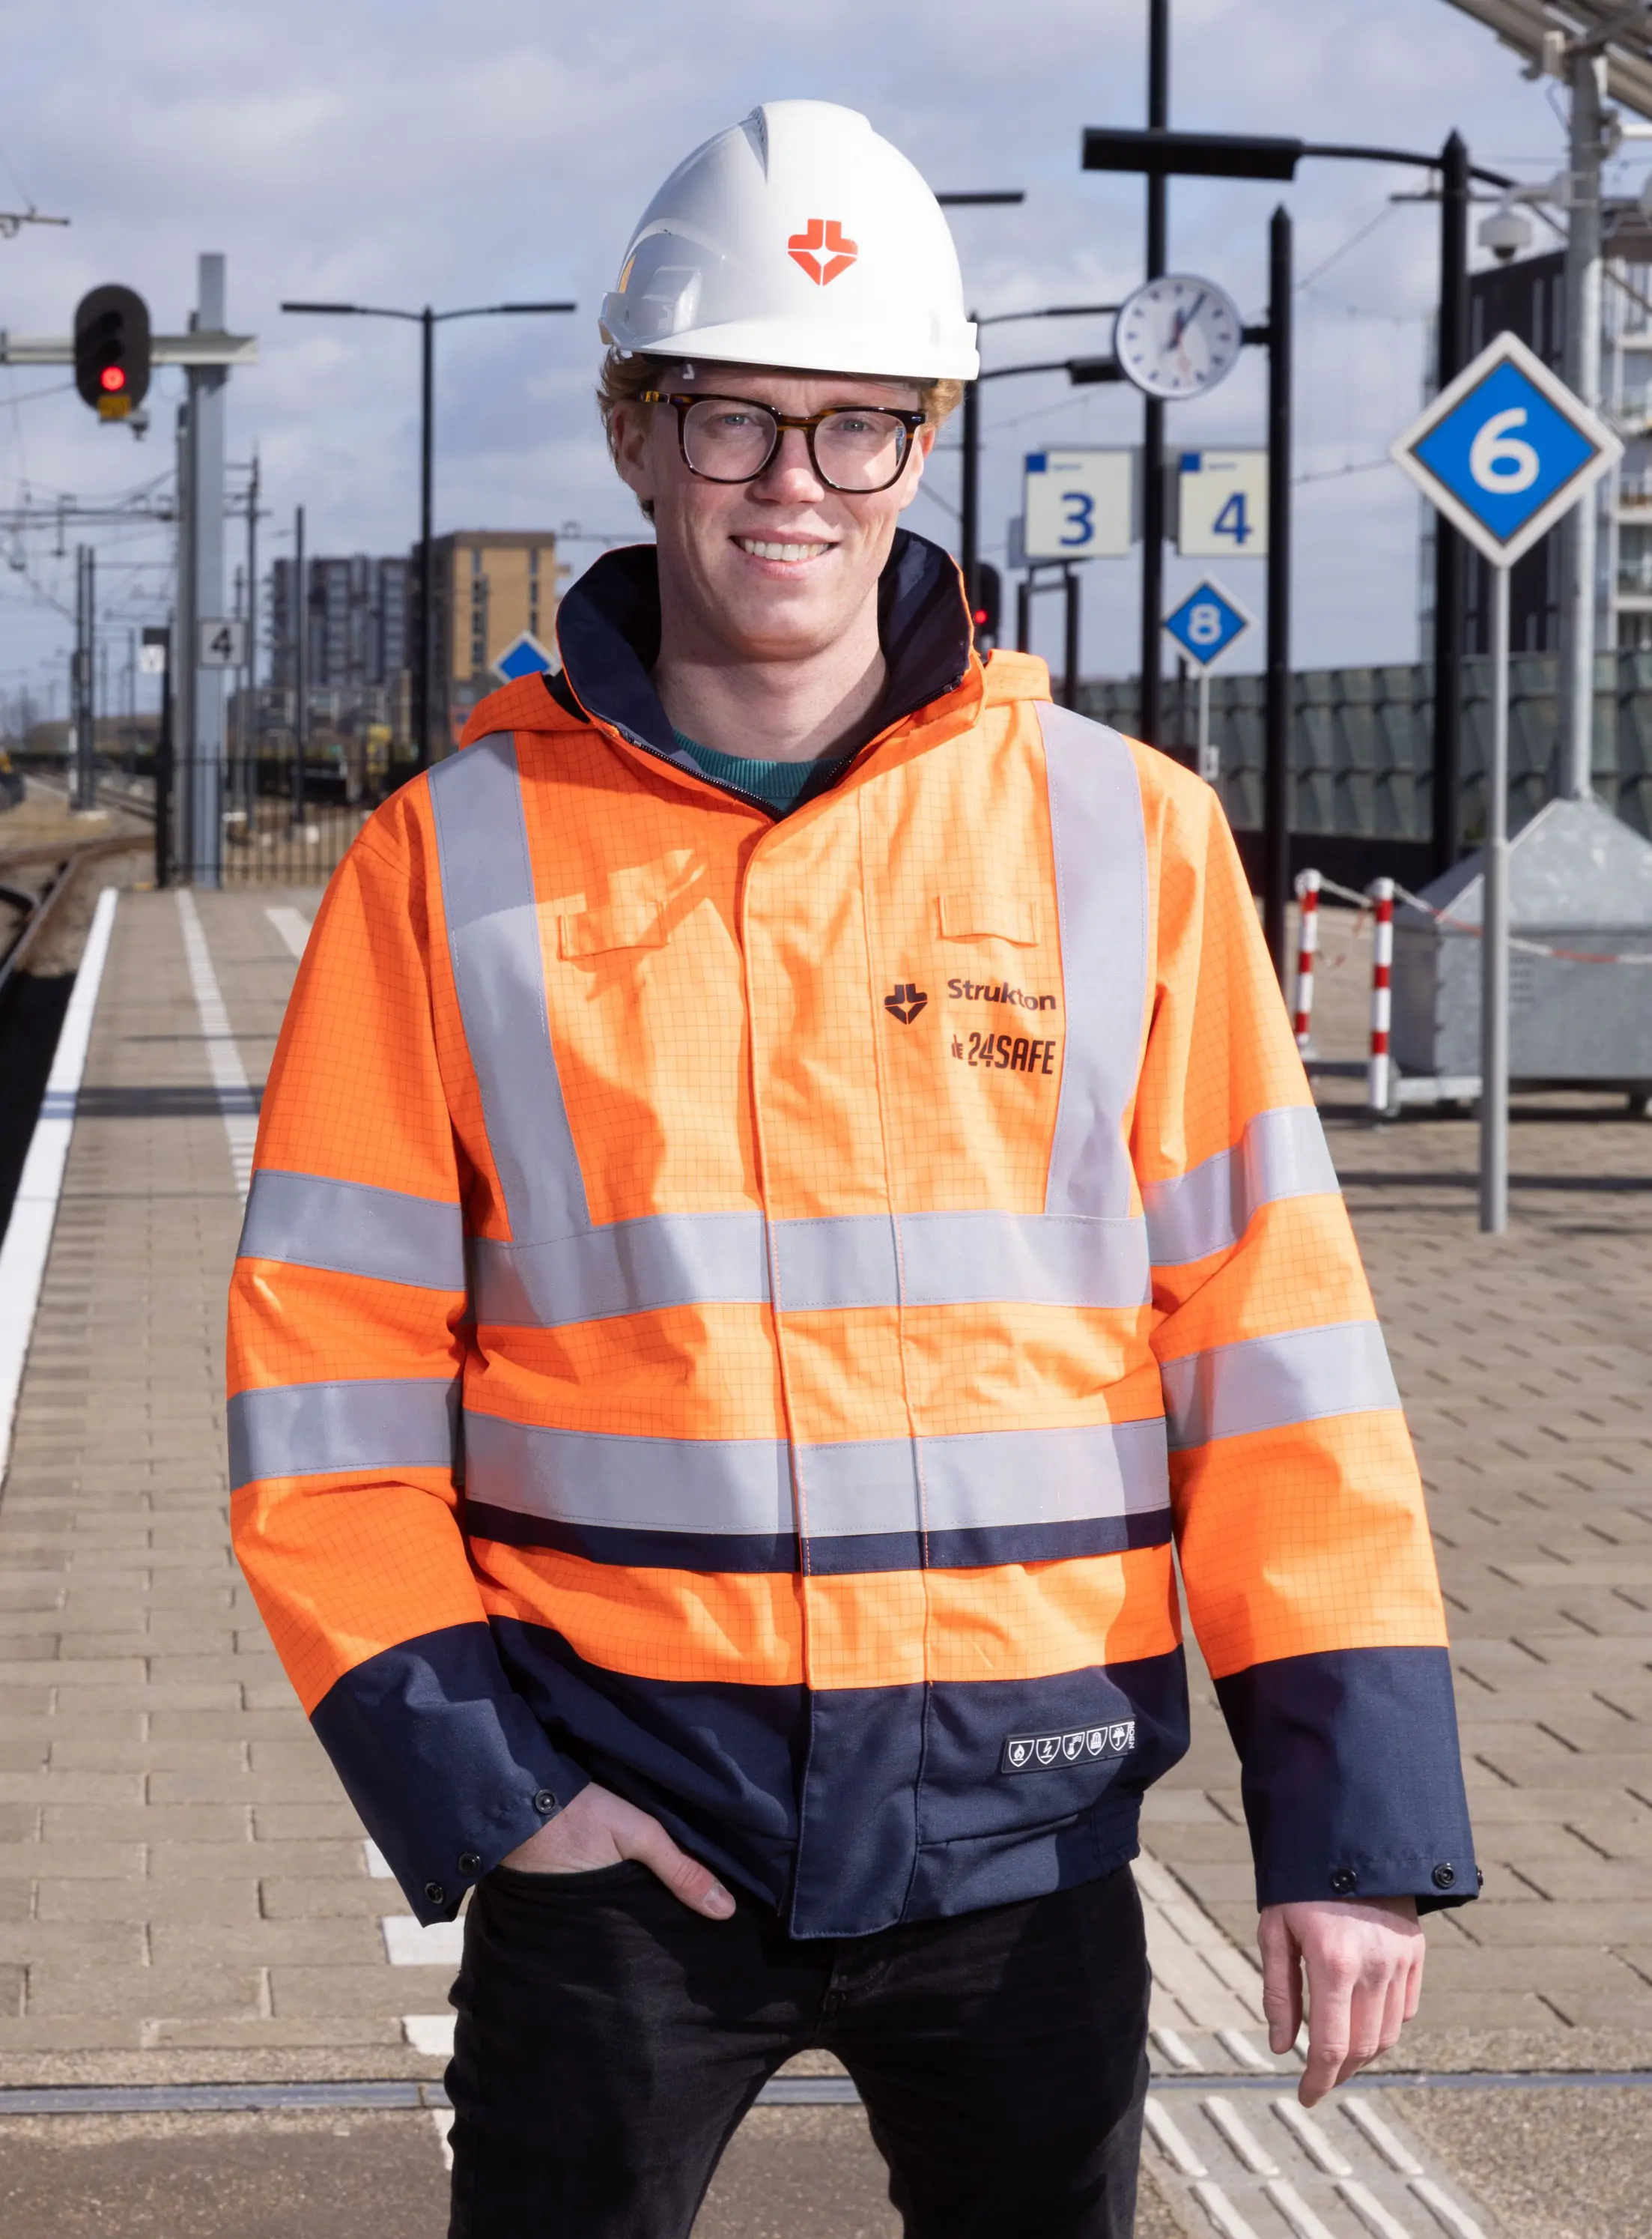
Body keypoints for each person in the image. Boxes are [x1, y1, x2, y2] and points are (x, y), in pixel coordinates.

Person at [229, 100, 1477, 2239]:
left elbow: (1274, 1356)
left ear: (927, 443)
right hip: (615, 1825)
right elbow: (324, 1398)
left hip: (1028, 1833)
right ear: (635, 434)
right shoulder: (444, 867)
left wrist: (1348, 1826)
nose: (792, 486)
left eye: (856, 427)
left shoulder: (1127, 839)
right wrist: (490, 1797)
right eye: (733, 421)